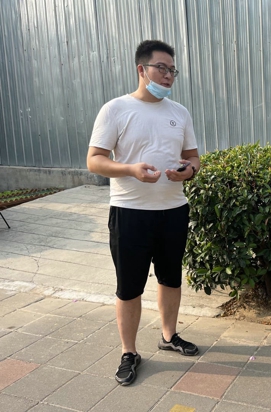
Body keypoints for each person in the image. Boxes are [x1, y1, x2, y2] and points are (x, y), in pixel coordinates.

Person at [87, 40, 200, 386]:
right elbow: (95, 160)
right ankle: (129, 352)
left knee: (171, 278)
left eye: (172, 70)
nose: (168, 76)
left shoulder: (179, 112)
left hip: (173, 210)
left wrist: (189, 172)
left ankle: (169, 336)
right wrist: (131, 170)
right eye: (161, 68)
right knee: (129, 286)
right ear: (142, 69)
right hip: (130, 213)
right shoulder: (115, 109)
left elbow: (194, 157)